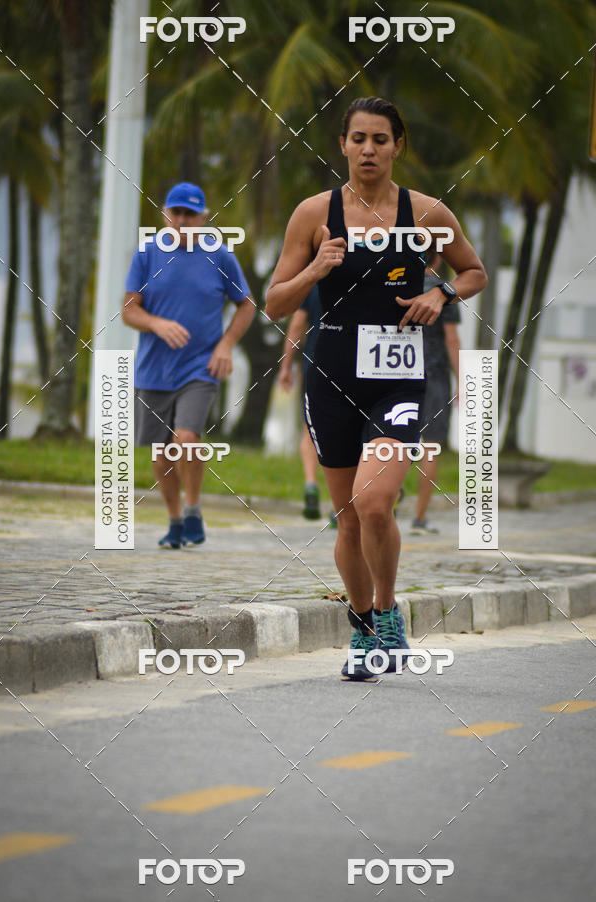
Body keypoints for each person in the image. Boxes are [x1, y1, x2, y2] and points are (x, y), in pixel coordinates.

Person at [266, 97, 487, 680]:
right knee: (346, 519)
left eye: (380, 140)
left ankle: (389, 611)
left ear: (397, 146)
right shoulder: (313, 214)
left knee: (374, 503)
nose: (368, 149)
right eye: (358, 138)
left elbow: (474, 270)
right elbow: (273, 302)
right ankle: (362, 628)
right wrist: (315, 270)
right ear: (342, 145)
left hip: (399, 379)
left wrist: (441, 294)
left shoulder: (428, 213)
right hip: (332, 377)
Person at [122, 182, 255, 548]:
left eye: (189, 214)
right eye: (175, 213)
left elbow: (247, 305)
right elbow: (128, 310)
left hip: (201, 367)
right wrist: (156, 323)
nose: (182, 221)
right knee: (162, 454)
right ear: (165, 215)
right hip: (153, 370)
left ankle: (194, 509)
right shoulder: (146, 254)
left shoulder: (221, 257)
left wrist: (226, 345)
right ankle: (175, 520)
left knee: (187, 439)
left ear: (204, 217)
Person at [411, 254, 461, 535]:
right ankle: (419, 518)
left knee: (393, 444)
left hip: (401, 375)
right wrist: (462, 380)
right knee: (430, 447)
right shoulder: (444, 292)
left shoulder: (399, 285)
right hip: (436, 376)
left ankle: (385, 508)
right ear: (438, 258)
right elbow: (452, 340)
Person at [278, 286, 324, 520]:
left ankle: (310, 483)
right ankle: (345, 503)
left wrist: (286, 366)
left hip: (315, 364)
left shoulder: (312, 281)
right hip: (356, 369)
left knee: (310, 429)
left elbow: (297, 326)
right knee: (352, 434)